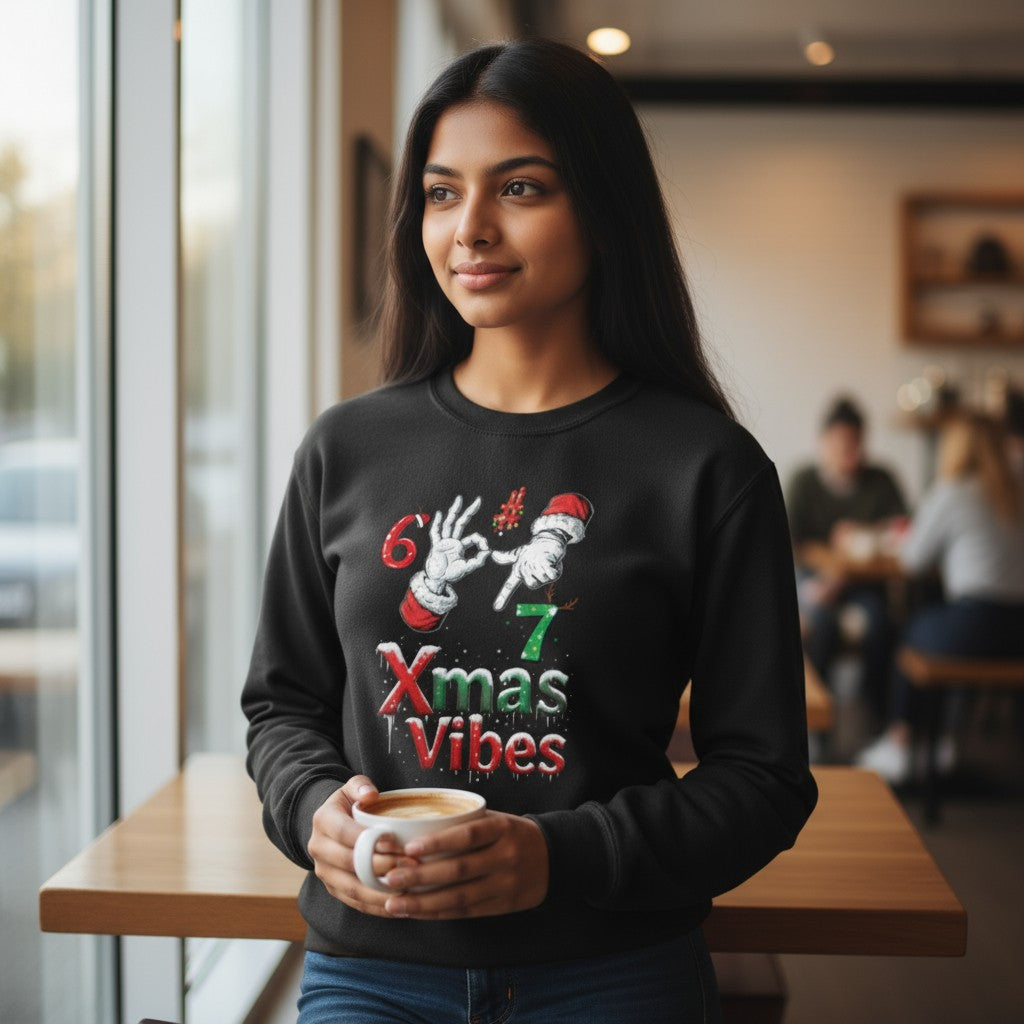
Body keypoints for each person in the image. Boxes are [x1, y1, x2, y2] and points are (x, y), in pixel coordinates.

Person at [242, 38, 816, 1024]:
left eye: (519, 188)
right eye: (438, 193)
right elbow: (282, 705)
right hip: (373, 967)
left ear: (603, 208)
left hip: (611, 966)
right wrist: (311, 814)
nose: (469, 229)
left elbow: (763, 779)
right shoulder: (346, 448)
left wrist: (558, 856)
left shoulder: (707, 469)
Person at [856, 411, 1024, 783]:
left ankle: (900, 742)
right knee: (939, 630)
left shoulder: (955, 492)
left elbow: (913, 560)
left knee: (912, 633)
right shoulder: (1017, 487)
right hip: (1019, 630)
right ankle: (947, 740)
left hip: (975, 623)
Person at [786, 396, 907, 723]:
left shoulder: (880, 480)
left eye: (854, 442)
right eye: (840, 442)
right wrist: (836, 565)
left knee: (882, 624)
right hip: (815, 576)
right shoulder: (804, 481)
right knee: (820, 624)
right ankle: (817, 720)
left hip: (864, 581)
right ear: (822, 442)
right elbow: (791, 542)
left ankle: (875, 717)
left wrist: (858, 540)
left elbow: (903, 529)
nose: (847, 451)